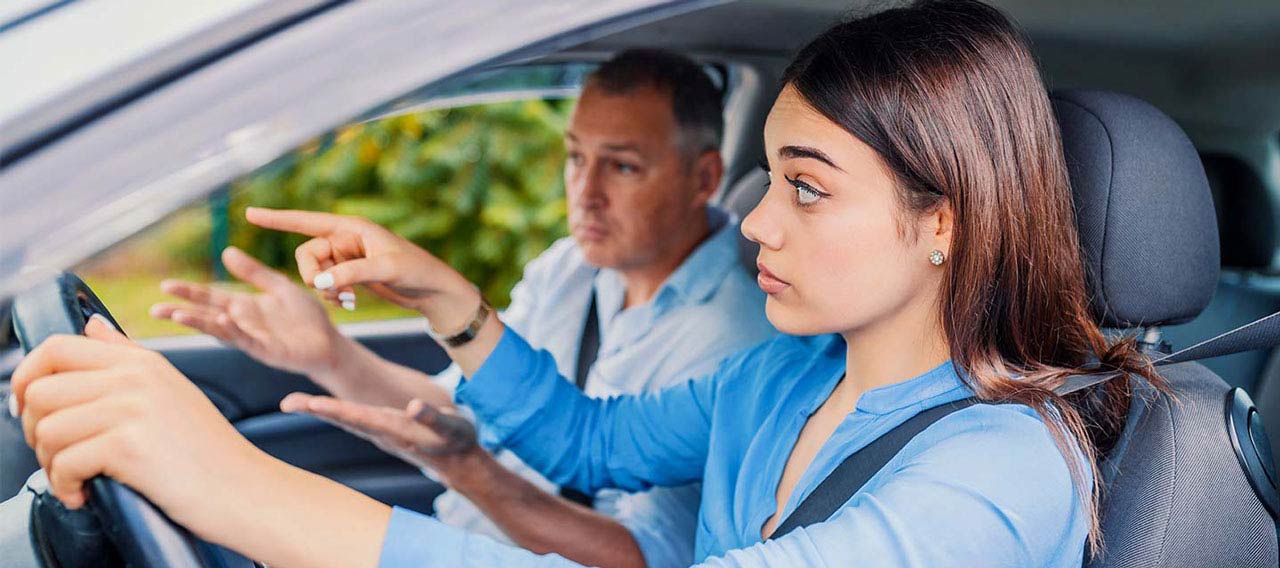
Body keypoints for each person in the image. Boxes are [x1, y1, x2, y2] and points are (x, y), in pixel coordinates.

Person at [9, 1, 1160, 566]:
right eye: (769, 179)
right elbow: (585, 442)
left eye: (805, 188)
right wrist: (447, 300)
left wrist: (239, 487)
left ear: (941, 224)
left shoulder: (1002, 469)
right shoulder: (779, 379)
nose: (753, 219)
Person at [145, 49, 776, 568]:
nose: (585, 194)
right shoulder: (572, 267)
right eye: (576, 157)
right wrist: (329, 353)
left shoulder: (737, 338)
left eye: (623, 166)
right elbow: (462, 410)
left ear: (703, 178)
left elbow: (641, 559)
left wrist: (468, 468)